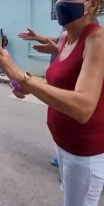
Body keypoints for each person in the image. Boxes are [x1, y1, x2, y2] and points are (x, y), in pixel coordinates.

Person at [0, 0, 104, 206]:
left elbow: (83, 107)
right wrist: (23, 84)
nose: (61, 2)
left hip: (87, 151)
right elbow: (59, 87)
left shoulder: (99, 39)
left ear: (93, 4)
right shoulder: (66, 39)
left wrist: (21, 75)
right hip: (64, 145)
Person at [18, 26, 67, 168]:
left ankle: (67, 157)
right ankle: (62, 153)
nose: (60, 3)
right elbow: (60, 41)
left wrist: (59, 51)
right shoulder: (68, 27)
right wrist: (37, 37)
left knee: (66, 121)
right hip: (57, 79)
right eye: (59, 1)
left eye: (69, 1)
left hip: (65, 84)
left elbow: (75, 52)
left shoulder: (88, 30)